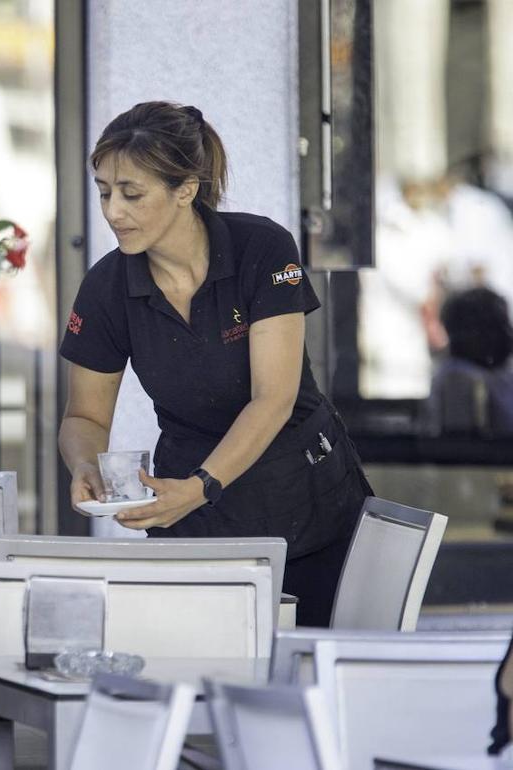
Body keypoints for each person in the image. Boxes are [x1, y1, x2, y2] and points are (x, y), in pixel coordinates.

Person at [59, 101, 372, 627]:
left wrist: (203, 483)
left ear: (185, 189)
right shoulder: (106, 286)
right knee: (194, 677)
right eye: (104, 192)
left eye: (132, 194)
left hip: (305, 507)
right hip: (191, 517)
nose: (113, 212)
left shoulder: (263, 248)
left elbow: (273, 397)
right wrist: (86, 467)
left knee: (310, 684)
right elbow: (84, 418)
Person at [426, 287, 513, 435]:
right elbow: (464, 449)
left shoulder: (499, 374)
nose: (507, 334)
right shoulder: (458, 377)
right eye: (496, 327)